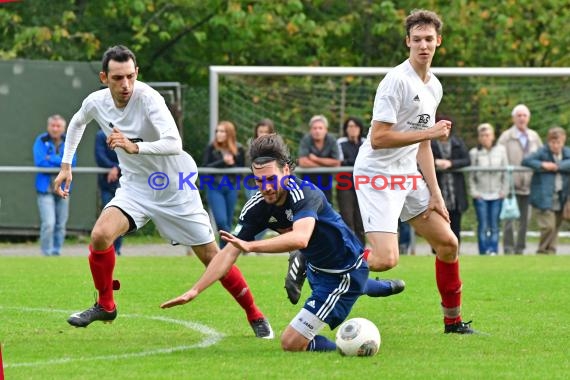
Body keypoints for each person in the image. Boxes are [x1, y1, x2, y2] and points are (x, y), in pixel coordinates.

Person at [52, 45, 273, 338]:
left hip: (175, 187)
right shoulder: (95, 102)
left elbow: (174, 143)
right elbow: (77, 122)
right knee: (100, 235)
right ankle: (106, 305)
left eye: (130, 76)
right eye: (117, 78)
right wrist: (66, 165)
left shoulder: (149, 99)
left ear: (137, 73)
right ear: (104, 78)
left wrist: (135, 146)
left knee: (211, 256)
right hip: (136, 188)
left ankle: (255, 314)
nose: (126, 84)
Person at [161, 134, 404, 352]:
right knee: (324, 273)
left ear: (286, 171)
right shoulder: (257, 207)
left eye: (270, 179)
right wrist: (195, 290)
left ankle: (348, 345)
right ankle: (372, 287)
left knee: (291, 343)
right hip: (316, 267)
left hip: (342, 273)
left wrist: (252, 246)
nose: (265, 187)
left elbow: (300, 238)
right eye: (258, 181)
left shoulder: (306, 194)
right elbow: (227, 253)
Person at [352, 9, 475, 333]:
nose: (423, 45)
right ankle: (318, 260)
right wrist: (429, 133)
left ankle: (454, 322)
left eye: (429, 39)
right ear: (407, 42)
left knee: (448, 243)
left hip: (408, 176)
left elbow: (423, 146)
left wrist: (435, 194)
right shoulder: (396, 81)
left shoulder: (434, 86)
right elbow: (378, 139)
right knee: (384, 260)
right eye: (417, 39)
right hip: (377, 175)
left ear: (438, 42)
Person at [497, 104, 542, 255]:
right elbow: (499, 159)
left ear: (528, 118)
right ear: (514, 118)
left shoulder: (534, 137)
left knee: (525, 220)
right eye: (519, 115)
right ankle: (508, 248)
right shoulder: (506, 136)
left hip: (530, 185)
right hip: (510, 186)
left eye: (524, 115)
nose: (522, 118)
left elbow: (542, 156)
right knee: (509, 219)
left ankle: (520, 249)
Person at [33, 114, 77, 256]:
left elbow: (73, 161)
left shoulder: (69, 140)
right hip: (45, 188)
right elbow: (40, 161)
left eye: (58, 126)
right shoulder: (41, 140)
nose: (55, 128)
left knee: (61, 224)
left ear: (63, 128)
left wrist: (50, 157)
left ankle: (56, 252)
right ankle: (46, 253)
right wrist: (62, 161)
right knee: (49, 224)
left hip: (63, 188)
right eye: (53, 125)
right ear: (48, 127)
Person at [521, 127, 570, 254]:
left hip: (561, 196)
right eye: (553, 142)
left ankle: (551, 251)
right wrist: (543, 165)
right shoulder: (542, 152)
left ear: (563, 141)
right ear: (548, 142)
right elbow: (526, 160)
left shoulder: (566, 153)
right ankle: (542, 250)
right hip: (544, 195)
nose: (555, 145)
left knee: (556, 227)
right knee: (548, 226)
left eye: (558, 142)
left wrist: (558, 166)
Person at [203, 120, 245, 247]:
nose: (219, 134)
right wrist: (223, 162)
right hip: (214, 187)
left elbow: (241, 171)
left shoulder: (238, 149)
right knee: (221, 222)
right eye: (217, 131)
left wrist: (232, 164)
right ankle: (232, 246)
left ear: (229, 134)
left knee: (227, 221)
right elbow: (205, 168)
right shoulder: (211, 148)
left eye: (222, 131)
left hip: (231, 187)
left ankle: (223, 253)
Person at [469, 123, 509, 256]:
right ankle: (483, 251)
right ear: (479, 138)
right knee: (483, 225)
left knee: (495, 225)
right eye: (482, 135)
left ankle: (493, 251)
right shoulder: (474, 153)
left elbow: (505, 172)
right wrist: (475, 193)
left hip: (497, 194)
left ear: (493, 136)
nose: (485, 138)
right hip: (481, 195)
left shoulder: (501, 150)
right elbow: (471, 176)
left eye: (487, 135)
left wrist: (504, 191)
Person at [431, 117, 470, 245]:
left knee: (455, 225)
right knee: (439, 227)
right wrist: (436, 162)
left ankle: (455, 253)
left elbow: (467, 160)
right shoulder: (430, 144)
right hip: (438, 191)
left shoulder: (458, 143)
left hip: (455, 193)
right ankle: (437, 252)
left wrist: (451, 163)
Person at [336, 116, 366, 245]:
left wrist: (351, 162)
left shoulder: (365, 142)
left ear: (360, 128)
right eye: (350, 126)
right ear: (346, 129)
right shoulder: (340, 142)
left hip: (363, 185)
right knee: (347, 217)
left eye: (355, 126)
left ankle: (361, 249)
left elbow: (367, 161)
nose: (353, 129)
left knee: (361, 219)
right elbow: (340, 162)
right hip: (345, 184)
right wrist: (354, 163)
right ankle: (348, 247)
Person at [297, 115, 341, 203]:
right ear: (311, 130)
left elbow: (336, 162)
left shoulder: (331, 140)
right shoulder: (306, 139)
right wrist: (326, 164)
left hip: (326, 180)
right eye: (315, 128)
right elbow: (302, 162)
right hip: (308, 180)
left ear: (326, 130)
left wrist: (316, 159)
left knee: (326, 205)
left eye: (320, 128)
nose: (317, 131)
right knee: (308, 206)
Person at [95, 128, 123, 255]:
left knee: (121, 218)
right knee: (107, 220)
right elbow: (99, 156)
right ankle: (107, 250)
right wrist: (112, 167)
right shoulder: (101, 135)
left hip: (125, 184)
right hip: (107, 184)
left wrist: (116, 168)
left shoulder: (126, 133)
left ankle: (117, 250)